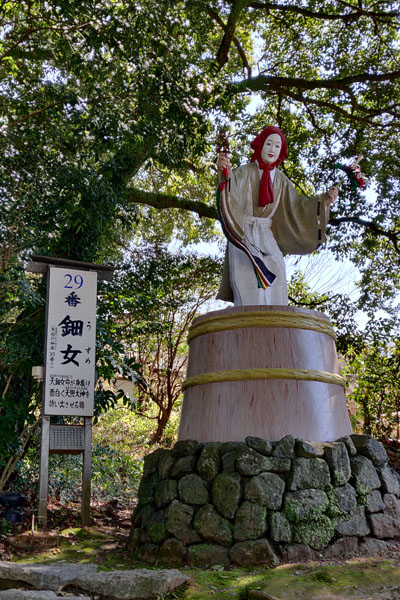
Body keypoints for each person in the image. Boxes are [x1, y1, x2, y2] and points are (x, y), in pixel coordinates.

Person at [216, 126, 338, 306]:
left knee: (277, 271)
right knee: (247, 277)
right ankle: (248, 321)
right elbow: (230, 189)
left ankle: (275, 318)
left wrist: (323, 201)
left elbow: (298, 206)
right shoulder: (244, 171)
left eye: (277, 146)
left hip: (266, 234)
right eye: (269, 144)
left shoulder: (281, 180)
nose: (272, 149)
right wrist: (224, 171)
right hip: (244, 233)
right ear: (260, 145)